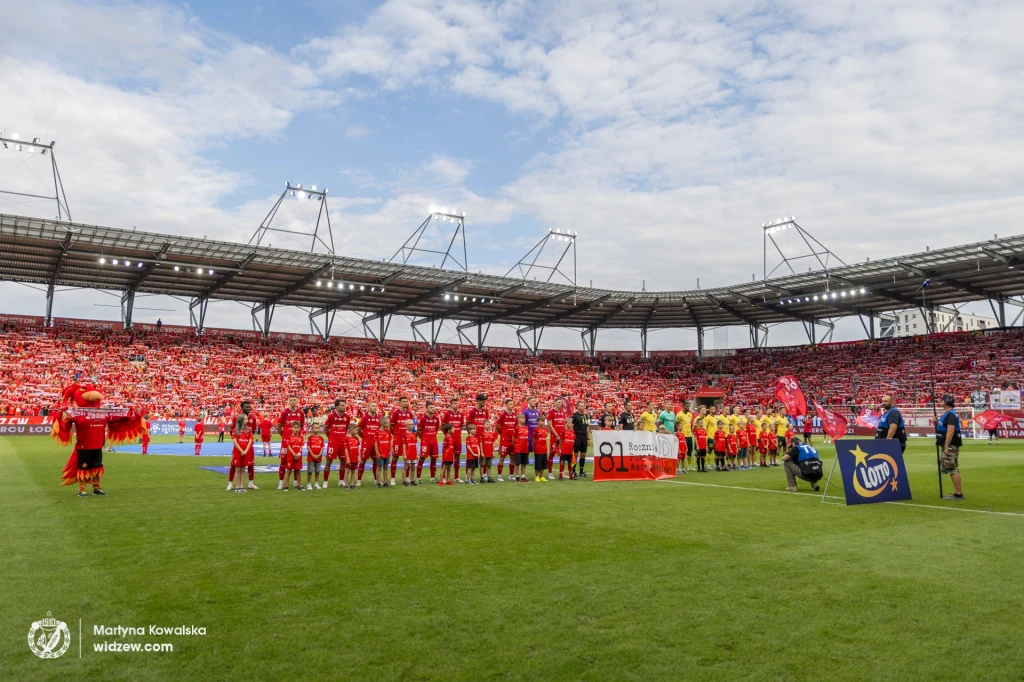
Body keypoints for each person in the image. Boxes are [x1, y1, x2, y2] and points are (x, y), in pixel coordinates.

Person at [936, 394, 965, 500]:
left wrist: (947, 446)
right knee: (951, 468)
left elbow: (950, 430)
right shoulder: (947, 414)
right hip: (946, 443)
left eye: (941, 400)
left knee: (953, 468)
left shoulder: (950, 415)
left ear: (946, 401)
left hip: (950, 444)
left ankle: (958, 494)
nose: (940, 401)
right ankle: (957, 493)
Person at [324, 399, 350, 488]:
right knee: (329, 461)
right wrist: (331, 438)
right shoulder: (331, 416)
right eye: (342, 405)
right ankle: (325, 482)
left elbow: (346, 428)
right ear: (336, 407)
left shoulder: (347, 417)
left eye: (344, 405)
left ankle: (341, 481)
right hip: (333, 442)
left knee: (343, 461)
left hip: (342, 442)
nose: (344, 407)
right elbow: (326, 429)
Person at [357, 402, 381, 487]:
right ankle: (359, 480)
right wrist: (364, 437)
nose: (375, 407)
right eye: (373, 406)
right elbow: (359, 429)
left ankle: (375, 480)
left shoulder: (379, 419)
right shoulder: (364, 418)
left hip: (376, 444)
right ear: (369, 408)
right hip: (366, 443)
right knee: (363, 460)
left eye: (375, 406)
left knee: (375, 460)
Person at [444, 397, 467, 484]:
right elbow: (444, 426)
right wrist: (447, 436)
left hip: (458, 439)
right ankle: (444, 477)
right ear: (451, 405)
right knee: (446, 457)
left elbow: (461, 426)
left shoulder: (460, 414)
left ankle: (456, 476)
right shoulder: (447, 414)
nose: (456, 405)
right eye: (454, 403)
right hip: (450, 439)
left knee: (457, 456)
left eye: (457, 403)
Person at [417, 401, 440, 484]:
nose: (433, 409)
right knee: (422, 459)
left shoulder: (436, 419)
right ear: (426, 408)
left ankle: (432, 477)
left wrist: (432, 437)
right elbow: (419, 431)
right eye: (431, 407)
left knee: (434, 459)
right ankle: (418, 478)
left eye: (434, 407)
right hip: (425, 442)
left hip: (434, 441)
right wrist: (423, 439)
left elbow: (436, 429)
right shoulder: (423, 419)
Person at [228, 415, 253, 493]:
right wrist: (241, 450)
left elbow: (250, 440)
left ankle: (242, 486)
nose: (247, 420)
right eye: (245, 419)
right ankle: (237, 487)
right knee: (238, 469)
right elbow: (235, 441)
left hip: (246, 452)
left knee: (243, 469)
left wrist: (245, 450)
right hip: (237, 452)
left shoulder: (249, 430)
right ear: (241, 420)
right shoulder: (236, 430)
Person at [496, 398, 517, 481]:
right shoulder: (503, 415)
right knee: (502, 457)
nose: (512, 405)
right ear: (506, 405)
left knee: (513, 457)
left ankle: (511, 475)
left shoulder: (515, 415)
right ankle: (499, 475)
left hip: (513, 440)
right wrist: (502, 434)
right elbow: (497, 426)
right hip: (505, 440)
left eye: (513, 404)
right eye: (510, 404)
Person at [280, 422, 304, 491]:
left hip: (298, 457)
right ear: (291, 428)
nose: (296, 429)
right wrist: (294, 454)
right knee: (289, 471)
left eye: (297, 427)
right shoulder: (289, 437)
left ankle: (299, 485)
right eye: (295, 427)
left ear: (299, 428)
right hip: (291, 456)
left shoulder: (301, 437)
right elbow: (288, 446)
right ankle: (286, 486)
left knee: (298, 471)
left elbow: (301, 446)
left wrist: (298, 454)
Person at [571, 400, 590, 478]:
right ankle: (573, 471)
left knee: (583, 454)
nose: (583, 407)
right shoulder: (574, 416)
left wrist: (588, 438)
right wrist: (572, 437)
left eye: (583, 406)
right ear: (577, 407)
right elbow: (571, 427)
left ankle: (581, 472)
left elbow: (587, 427)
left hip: (584, 437)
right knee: (575, 454)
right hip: (577, 437)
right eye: (581, 406)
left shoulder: (586, 416)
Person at [374, 415, 393, 488]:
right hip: (380, 453)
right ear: (382, 423)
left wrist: (390, 451)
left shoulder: (388, 432)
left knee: (386, 467)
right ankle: (378, 482)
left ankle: (385, 482)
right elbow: (375, 443)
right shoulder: (377, 432)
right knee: (379, 467)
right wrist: (377, 452)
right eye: (387, 423)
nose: (388, 425)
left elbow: (390, 441)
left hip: (387, 453)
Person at [306, 423, 325, 490]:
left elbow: (322, 447)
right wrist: (313, 455)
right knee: (310, 471)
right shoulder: (310, 438)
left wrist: (319, 454)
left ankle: (316, 483)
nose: (317, 429)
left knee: (317, 471)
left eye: (318, 428)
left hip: (319, 457)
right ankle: (308, 484)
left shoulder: (321, 438)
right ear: (312, 429)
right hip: (311, 457)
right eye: (315, 428)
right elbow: (308, 447)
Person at [675, 402, 693, 471]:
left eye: (689, 406)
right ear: (683, 406)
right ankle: (678, 468)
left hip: (689, 435)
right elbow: (676, 423)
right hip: (682, 435)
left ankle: (688, 466)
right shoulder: (679, 415)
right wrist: (676, 432)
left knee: (689, 451)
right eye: (687, 406)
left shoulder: (690, 414)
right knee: (681, 453)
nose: (688, 407)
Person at [513, 413, 531, 483]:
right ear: (518, 419)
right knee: (517, 463)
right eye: (522, 418)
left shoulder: (526, 427)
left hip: (525, 449)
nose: (524, 420)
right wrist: (516, 446)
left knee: (524, 463)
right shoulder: (516, 428)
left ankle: (523, 476)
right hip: (518, 449)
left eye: (524, 418)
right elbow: (513, 439)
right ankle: (517, 477)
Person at [344, 422, 361, 490]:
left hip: (355, 458)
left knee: (353, 471)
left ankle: (352, 484)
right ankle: (345, 484)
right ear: (351, 430)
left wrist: (359, 456)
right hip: (349, 458)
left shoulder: (356, 439)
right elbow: (345, 449)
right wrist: (347, 458)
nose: (357, 432)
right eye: (356, 430)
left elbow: (358, 448)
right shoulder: (346, 438)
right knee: (347, 471)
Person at [402, 419, 418, 487]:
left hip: (413, 453)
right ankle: (404, 481)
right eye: (410, 424)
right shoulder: (404, 434)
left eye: (412, 424)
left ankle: (412, 480)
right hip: (408, 453)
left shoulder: (414, 434)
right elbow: (403, 445)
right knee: (406, 467)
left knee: (413, 467)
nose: (412, 426)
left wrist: (417, 454)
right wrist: (404, 454)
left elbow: (415, 444)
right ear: (406, 425)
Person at [533, 415, 550, 482]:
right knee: (538, 464)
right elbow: (533, 439)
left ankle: (542, 476)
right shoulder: (536, 429)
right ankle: (537, 476)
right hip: (538, 449)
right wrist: (534, 447)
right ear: (538, 422)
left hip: (544, 449)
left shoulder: (545, 429)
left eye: (543, 421)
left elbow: (545, 438)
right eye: (541, 421)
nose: (543, 422)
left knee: (543, 464)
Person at [480, 419, 497, 483]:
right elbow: (481, 443)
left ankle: (489, 477)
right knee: (482, 465)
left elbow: (493, 443)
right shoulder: (482, 434)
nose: (488, 425)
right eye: (487, 424)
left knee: (489, 465)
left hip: (490, 452)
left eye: (489, 424)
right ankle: (482, 478)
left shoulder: (491, 434)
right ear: (483, 425)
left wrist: (493, 451)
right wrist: (481, 452)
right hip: (484, 452)